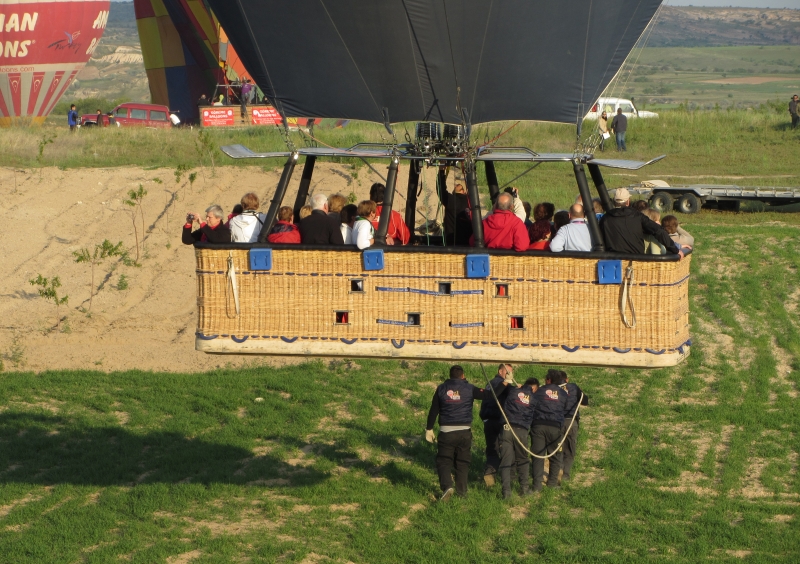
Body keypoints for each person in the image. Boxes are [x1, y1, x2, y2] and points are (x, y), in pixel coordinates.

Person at [425, 365, 486, 501]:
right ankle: (462, 493)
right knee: (462, 463)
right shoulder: (470, 388)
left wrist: (429, 428)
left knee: (444, 461)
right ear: (463, 376)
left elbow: (433, 410)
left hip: (446, 432)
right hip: (464, 432)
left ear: (450, 376)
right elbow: (488, 394)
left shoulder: (441, 388)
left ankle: (447, 486)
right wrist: (505, 383)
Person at [600, 188, 682, 257]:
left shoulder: (605, 219)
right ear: (628, 202)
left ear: (614, 202)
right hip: (636, 260)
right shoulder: (637, 216)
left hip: (612, 261)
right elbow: (659, 231)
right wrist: (675, 249)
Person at [496, 376, 540, 499]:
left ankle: (506, 492)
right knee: (522, 460)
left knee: (505, 460)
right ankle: (524, 489)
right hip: (521, 431)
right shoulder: (534, 398)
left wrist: (517, 388)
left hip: (506, 428)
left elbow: (501, 391)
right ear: (534, 388)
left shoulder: (512, 391)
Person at [530, 369, 568, 492]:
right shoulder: (563, 394)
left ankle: (537, 486)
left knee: (538, 456)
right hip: (555, 428)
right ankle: (552, 484)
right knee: (556, 456)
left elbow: (531, 404)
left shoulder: (539, 391)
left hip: (538, 426)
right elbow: (565, 408)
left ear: (548, 380)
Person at [479, 364, 513, 486]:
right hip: (499, 420)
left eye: (511, 372)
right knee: (506, 448)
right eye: (507, 372)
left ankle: (490, 472)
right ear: (500, 371)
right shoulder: (504, 384)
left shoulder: (490, 383)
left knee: (492, 448)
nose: (510, 375)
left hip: (487, 419)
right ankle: (509, 476)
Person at [558, 372, 589, 483]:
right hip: (571, 421)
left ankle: (557, 472)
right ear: (567, 379)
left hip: (557, 422)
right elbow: (585, 401)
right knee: (570, 449)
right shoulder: (574, 387)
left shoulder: (552, 389)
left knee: (558, 448)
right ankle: (565, 475)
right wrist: (581, 392)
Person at [437, 179, 472, 246]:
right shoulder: (471, 202)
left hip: (450, 242)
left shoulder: (452, 200)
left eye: (458, 185)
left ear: (463, 191)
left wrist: (441, 174)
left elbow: (440, 190)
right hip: (467, 242)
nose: (455, 185)